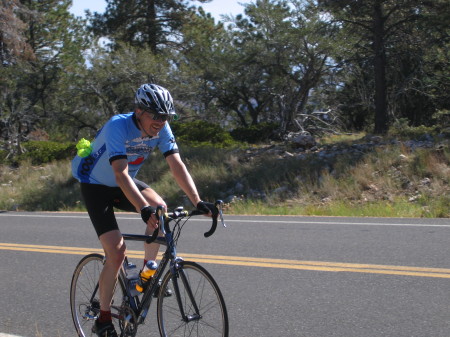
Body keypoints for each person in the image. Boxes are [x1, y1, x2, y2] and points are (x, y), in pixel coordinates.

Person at [72, 83, 217, 337]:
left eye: (166, 116)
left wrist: (197, 201)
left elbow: (176, 164)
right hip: (97, 186)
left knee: (161, 209)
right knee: (116, 253)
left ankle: (145, 277)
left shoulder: (162, 128)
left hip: (124, 183)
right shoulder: (118, 126)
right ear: (139, 111)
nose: (161, 122)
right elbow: (120, 173)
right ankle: (104, 319)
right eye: (156, 115)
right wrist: (142, 208)